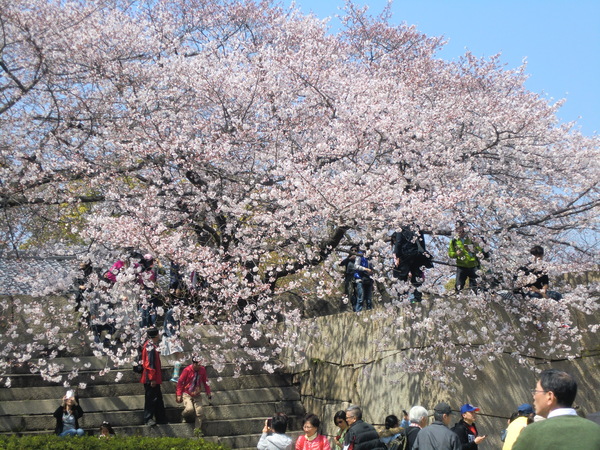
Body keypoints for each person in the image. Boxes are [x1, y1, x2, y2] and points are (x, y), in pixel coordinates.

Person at [513, 369, 600, 450]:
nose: (534, 396)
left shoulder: (532, 432)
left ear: (550, 397)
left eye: (536, 391)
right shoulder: (595, 430)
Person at [392, 226, 432, 303]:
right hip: (417, 255)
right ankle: (417, 299)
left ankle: (402, 298)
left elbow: (399, 242)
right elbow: (422, 243)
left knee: (402, 278)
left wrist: (396, 255)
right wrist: (424, 255)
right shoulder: (417, 227)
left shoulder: (401, 228)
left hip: (405, 255)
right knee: (417, 278)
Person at [175, 356, 212, 426]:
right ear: (193, 364)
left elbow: (205, 382)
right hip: (187, 393)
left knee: (200, 412)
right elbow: (180, 382)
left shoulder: (202, 370)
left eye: (200, 365)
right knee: (189, 409)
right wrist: (179, 394)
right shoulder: (187, 370)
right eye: (197, 365)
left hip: (197, 393)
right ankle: (183, 415)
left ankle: (197, 430)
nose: (199, 366)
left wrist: (208, 392)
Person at [447, 222, 484, 293]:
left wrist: (472, 249)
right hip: (461, 266)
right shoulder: (454, 241)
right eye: (458, 230)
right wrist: (456, 254)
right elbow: (450, 254)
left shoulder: (472, 238)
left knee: (475, 287)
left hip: (473, 265)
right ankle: (458, 298)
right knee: (459, 285)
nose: (460, 233)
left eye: (461, 230)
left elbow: (480, 250)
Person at [141, 327, 167, 426]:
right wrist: (152, 378)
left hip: (154, 377)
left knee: (158, 399)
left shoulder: (150, 345)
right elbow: (149, 363)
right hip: (151, 378)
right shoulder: (150, 347)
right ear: (156, 336)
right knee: (151, 399)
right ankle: (148, 418)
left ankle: (161, 418)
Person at [339, 245, 359, 310]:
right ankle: (347, 307)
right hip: (348, 277)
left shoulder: (359, 259)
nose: (354, 251)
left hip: (357, 277)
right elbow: (341, 264)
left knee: (356, 292)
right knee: (348, 291)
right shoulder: (348, 260)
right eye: (352, 250)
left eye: (355, 250)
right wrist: (348, 259)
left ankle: (355, 307)